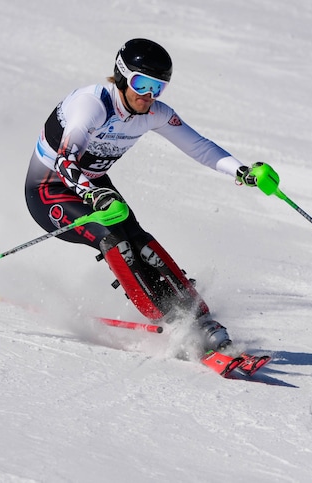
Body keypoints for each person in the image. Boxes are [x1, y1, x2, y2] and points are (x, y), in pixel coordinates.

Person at [24, 38, 273, 353]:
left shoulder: (155, 113)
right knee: (114, 238)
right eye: (142, 84)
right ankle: (170, 320)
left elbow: (199, 146)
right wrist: (91, 194)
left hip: (94, 187)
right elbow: (65, 161)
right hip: (49, 190)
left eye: (158, 88)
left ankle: (198, 317)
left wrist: (240, 171)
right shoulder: (92, 105)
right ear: (122, 76)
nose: (148, 96)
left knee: (140, 242)